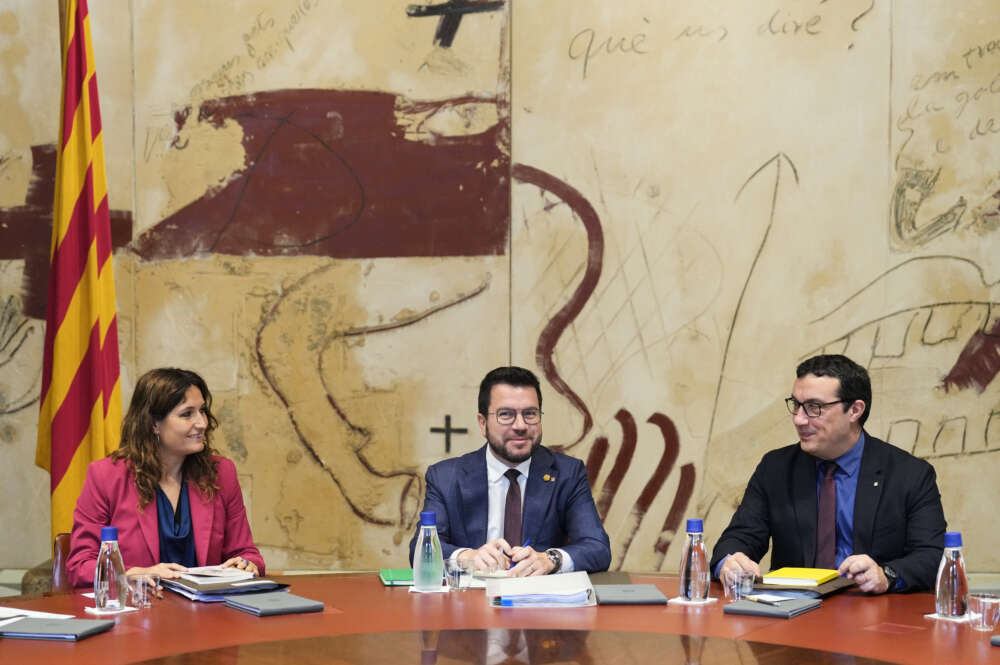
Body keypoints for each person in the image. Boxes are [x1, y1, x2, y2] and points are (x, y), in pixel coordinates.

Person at [710, 354, 945, 594]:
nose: (799, 419)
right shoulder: (776, 468)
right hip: (792, 616)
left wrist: (886, 575)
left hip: (872, 613)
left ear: (854, 410)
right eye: (796, 405)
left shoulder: (909, 474)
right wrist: (729, 562)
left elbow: (932, 556)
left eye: (814, 408)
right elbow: (738, 538)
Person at [67, 368, 264, 587]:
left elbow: (246, 552)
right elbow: (79, 565)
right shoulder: (106, 476)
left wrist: (246, 564)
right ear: (153, 424)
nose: (202, 423)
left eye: (202, 411)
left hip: (209, 613)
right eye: (187, 414)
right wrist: (132, 573)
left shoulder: (221, 474)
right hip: (139, 614)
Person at [409, 366, 611, 576]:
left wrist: (551, 559)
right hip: (468, 602)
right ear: (483, 423)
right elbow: (420, 550)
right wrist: (466, 557)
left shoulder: (567, 474)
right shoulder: (446, 477)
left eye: (530, 414)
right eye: (506, 415)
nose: (520, 425)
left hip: (540, 602)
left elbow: (598, 548)